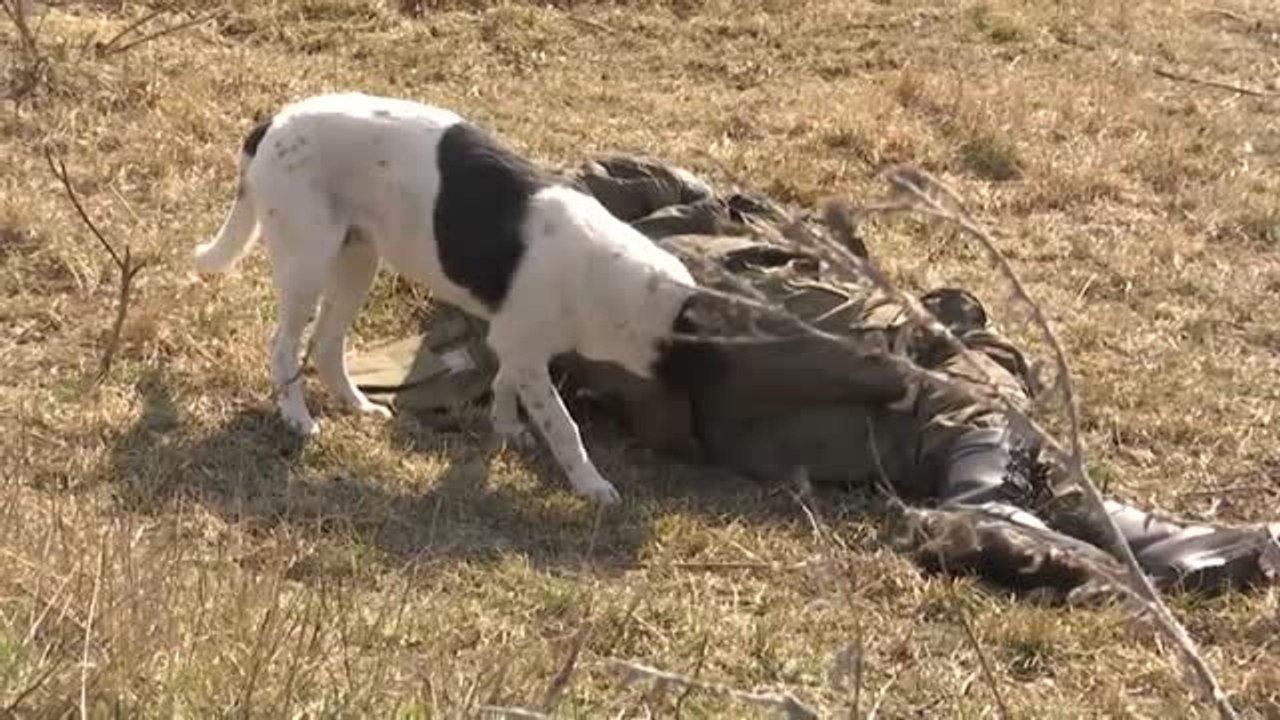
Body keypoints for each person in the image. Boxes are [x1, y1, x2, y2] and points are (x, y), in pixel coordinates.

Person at [348, 155, 1280, 601]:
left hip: (715, 422)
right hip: (724, 316)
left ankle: (1118, 541)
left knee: (935, 438)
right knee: (950, 391)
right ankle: (1070, 523)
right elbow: (581, 194)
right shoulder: (621, 216)